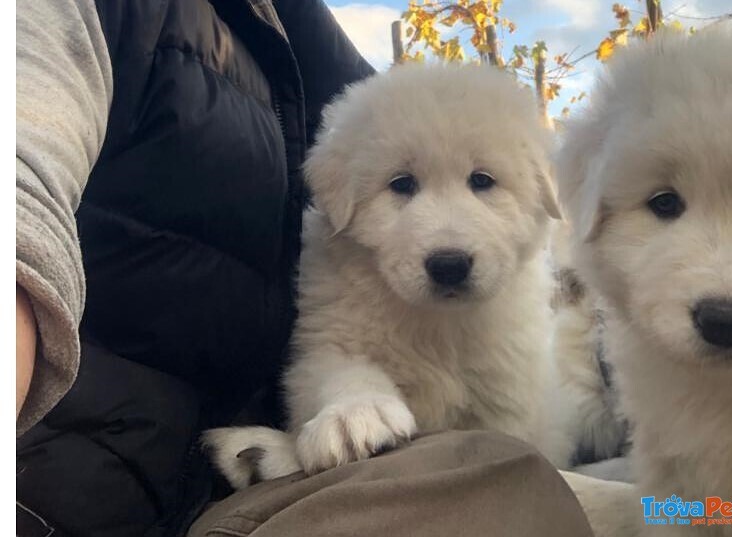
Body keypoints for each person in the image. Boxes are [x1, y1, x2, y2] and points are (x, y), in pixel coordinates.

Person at [15, 1, 594, 536]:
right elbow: (19, 194)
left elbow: (512, 433)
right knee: (536, 493)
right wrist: (347, 399)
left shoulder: (298, 38)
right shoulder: (79, 25)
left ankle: (679, 506)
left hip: (388, 469)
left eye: (483, 181)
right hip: (96, 488)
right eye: (403, 185)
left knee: (625, 495)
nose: (447, 240)